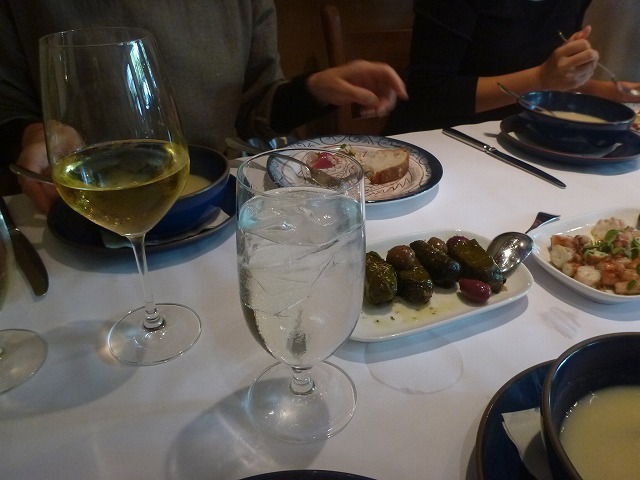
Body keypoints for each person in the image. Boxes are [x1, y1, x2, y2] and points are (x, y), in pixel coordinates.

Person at [0, 0, 407, 214]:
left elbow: (255, 107)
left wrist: (313, 90)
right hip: (82, 210)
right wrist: (33, 133)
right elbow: (9, 103)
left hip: (212, 204)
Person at [385, 0, 640, 135]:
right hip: (436, 138)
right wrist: (541, 78)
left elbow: (549, 76)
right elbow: (428, 93)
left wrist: (617, 92)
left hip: (522, 133)